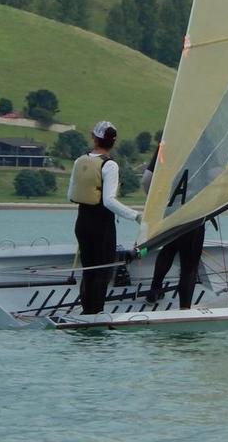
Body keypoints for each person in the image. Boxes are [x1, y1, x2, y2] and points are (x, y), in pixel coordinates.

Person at [68, 120, 140, 314]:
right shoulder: (110, 165)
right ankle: (95, 313)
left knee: (88, 269)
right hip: (101, 225)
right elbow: (108, 201)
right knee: (103, 270)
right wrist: (135, 216)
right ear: (113, 142)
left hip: (82, 222)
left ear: (94, 138)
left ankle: (87, 311)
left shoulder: (79, 161)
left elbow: (70, 195)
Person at [142, 149, 210, 310]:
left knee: (169, 247)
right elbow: (215, 174)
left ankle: (154, 289)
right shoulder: (203, 143)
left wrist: (156, 200)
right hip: (194, 210)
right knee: (189, 265)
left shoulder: (167, 143)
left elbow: (147, 179)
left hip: (170, 208)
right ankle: (184, 309)